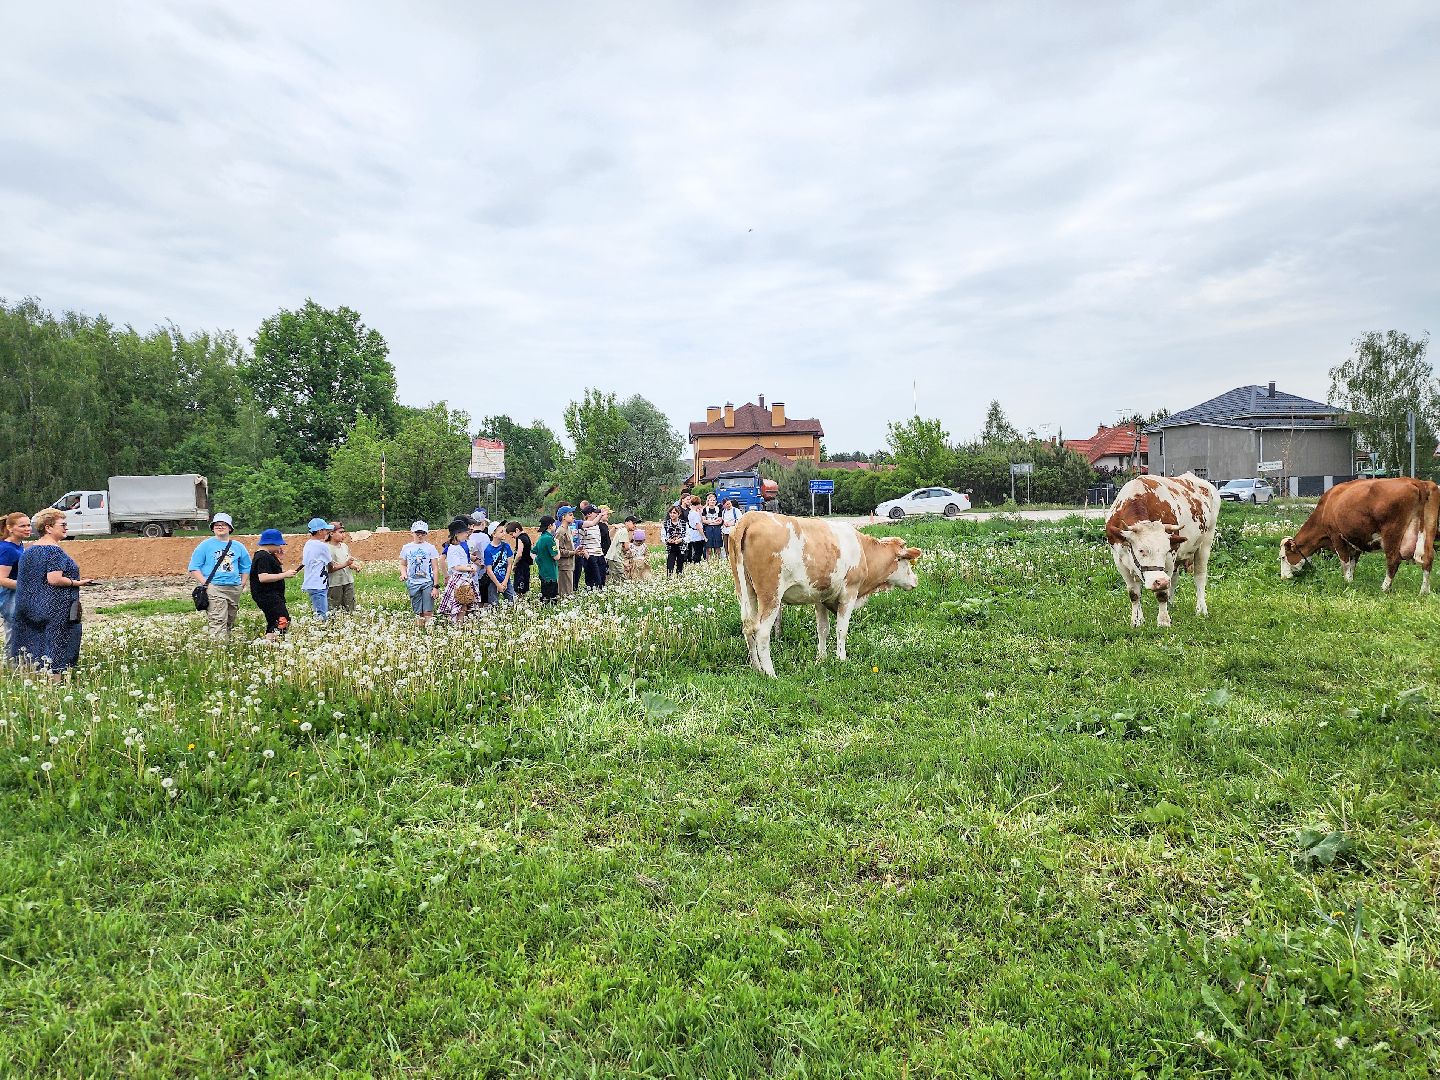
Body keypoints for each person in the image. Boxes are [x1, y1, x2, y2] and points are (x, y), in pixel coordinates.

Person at [6, 508, 96, 678]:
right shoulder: (54, 551)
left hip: (30, 607)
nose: (66, 528)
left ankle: (33, 682)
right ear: (48, 527)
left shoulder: (29, 550)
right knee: (57, 647)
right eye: (62, 525)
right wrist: (77, 582)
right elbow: (54, 579)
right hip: (56, 608)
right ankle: (55, 686)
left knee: (35, 648)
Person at [187, 512, 252, 639]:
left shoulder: (238, 546)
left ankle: (225, 650)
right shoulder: (205, 545)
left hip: (234, 587)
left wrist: (242, 583)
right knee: (218, 619)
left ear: (230, 528)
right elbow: (194, 567)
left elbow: (246, 566)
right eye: (217, 525)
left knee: (229, 619)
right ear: (212, 528)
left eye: (223, 524)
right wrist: (206, 584)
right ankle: (218, 649)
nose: (220, 527)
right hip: (215, 587)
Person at [250, 529, 298, 638]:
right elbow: (263, 577)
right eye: (279, 544)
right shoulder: (263, 556)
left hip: (272, 595)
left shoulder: (268, 555)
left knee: (275, 621)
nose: (280, 547)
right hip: (267, 595)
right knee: (281, 620)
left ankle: (270, 643)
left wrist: (279, 560)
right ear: (271, 543)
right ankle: (270, 643)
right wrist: (285, 574)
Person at [399, 521, 441, 627]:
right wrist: (403, 574)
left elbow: (435, 568)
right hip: (413, 583)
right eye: (417, 533)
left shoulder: (430, 548)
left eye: (423, 533)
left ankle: (429, 631)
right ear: (412, 533)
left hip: (427, 582)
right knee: (418, 612)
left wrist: (436, 586)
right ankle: (420, 632)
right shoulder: (406, 548)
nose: (420, 535)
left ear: (426, 534)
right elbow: (403, 564)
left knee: (428, 611)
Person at [0, 512, 32, 646]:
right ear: (10, 528)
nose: (27, 528)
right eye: (22, 526)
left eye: (29, 525)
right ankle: (12, 665)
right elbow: (2, 579)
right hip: (9, 595)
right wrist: (28, 586)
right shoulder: (7, 549)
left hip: (18, 593)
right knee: (14, 633)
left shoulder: (19, 545)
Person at [437, 518, 477, 622]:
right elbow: (456, 567)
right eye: (464, 532)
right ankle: (458, 624)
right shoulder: (453, 548)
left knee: (464, 604)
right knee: (459, 604)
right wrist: (470, 568)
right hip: (459, 579)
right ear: (457, 534)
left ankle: (460, 624)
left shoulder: (459, 546)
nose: (466, 534)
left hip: (464, 578)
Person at [301, 518, 334, 621]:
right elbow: (331, 564)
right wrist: (346, 564)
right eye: (325, 530)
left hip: (311, 583)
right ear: (320, 531)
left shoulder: (308, 544)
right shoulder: (322, 546)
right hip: (318, 584)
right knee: (322, 615)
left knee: (318, 610)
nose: (327, 532)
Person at [326, 522, 358, 615]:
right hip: (334, 583)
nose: (343, 535)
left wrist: (353, 566)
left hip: (348, 581)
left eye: (344, 532)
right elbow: (330, 569)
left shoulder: (344, 546)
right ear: (331, 533)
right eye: (340, 532)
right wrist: (346, 564)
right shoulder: (327, 548)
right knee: (334, 609)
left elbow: (347, 562)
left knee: (350, 608)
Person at [484, 521, 519, 604]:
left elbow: (509, 564)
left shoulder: (506, 546)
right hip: (493, 581)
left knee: (514, 601)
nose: (504, 533)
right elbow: (489, 570)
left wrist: (505, 581)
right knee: (494, 604)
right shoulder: (488, 550)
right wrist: (498, 585)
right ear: (494, 534)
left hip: (505, 579)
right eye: (501, 532)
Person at [533, 516, 559, 603]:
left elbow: (533, 551)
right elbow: (556, 557)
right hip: (551, 573)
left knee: (544, 596)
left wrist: (538, 560)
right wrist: (557, 545)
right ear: (550, 526)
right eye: (554, 524)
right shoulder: (549, 539)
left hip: (543, 571)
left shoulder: (541, 538)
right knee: (551, 598)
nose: (555, 526)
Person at [579, 506, 605, 589]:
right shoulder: (583, 526)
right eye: (595, 512)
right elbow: (579, 542)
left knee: (601, 578)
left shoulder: (597, 526)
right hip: (590, 556)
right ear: (589, 514)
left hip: (599, 555)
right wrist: (587, 555)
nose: (597, 514)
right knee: (593, 581)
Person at [555, 506, 577, 600]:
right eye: (570, 515)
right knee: (565, 593)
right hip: (564, 566)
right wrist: (573, 552)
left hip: (569, 564)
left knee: (569, 591)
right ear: (563, 517)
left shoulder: (568, 529)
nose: (573, 517)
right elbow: (558, 550)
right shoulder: (560, 531)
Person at [511, 521, 533, 598]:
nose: (512, 537)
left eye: (512, 534)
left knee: (519, 588)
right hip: (526, 565)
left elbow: (519, 553)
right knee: (524, 588)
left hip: (521, 566)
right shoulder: (526, 536)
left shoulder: (520, 538)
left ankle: (520, 602)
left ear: (517, 530)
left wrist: (514, 564)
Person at [664, 505, 687, 576]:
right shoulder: (666, 523)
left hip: (681, 547)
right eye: (670, 513)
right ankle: (669, 578)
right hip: (671, 547)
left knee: (680, 565)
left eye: (674, 513)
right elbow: (663, 535)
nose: (672, 514)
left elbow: (688, 536)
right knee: (670, 564)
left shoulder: (684, 524)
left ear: (678, 514)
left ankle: (679, 577)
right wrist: (667, 540)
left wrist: (681, 539)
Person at [606, 517, 630, 583]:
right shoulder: (624, 531)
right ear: (627, 523)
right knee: (621, 577)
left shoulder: (621, 530)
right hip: (615, 557)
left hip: (612, 557)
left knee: (614, 577)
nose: (635, 525)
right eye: (633, 523)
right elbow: (626, 547)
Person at [701, 493, 724, 559]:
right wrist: (713, 522)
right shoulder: (705, 510)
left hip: (717, 529)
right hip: (708, 530)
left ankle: (718, 562)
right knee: (708, 549)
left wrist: (710, 522)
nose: (712, 502)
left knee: (718, 547)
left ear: (716, 501)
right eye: (711, 500)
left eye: (714, 500)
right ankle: (709, 563)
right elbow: (703, 520)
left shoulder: (719, 509)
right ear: (708, 501)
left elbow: (720, 520)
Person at [685, 496, 705, 564]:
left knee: (693, 550)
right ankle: (696, 563)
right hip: (697, 534)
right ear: (698, 504)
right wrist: (704, 536)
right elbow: (698, 526)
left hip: (692, 533)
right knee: (698, 551)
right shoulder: (695, 514)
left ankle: (691, 562)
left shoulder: (690, 512)